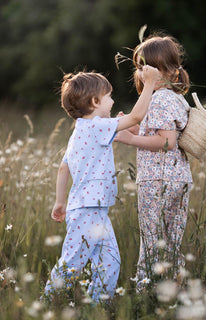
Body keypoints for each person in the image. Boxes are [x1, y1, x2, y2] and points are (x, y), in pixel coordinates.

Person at [43, 65, 160, 303]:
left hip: (93, 210)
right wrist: (149, 84)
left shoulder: (79, 131)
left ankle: (97, 306)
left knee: (109, 261)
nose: (113, 101)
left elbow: (63, 168)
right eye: (109, 97)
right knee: (72, 262)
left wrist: (59, 201)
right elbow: (136, 117)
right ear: (95, 101)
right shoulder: (96, 126)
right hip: (88, 210)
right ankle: (47, 301)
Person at [114, 34, 193, 288]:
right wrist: (137, 130)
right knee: (171, 246)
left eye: (148, 68)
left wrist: (128, 139)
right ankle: (174, 293)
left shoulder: (158, 99)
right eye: (140, 68)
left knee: (150, 244)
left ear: (169, 71)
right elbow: (160, 134)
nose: (143, 74)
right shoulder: (176, 98)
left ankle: (145, 298)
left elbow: (166, 142)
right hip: (178, 178)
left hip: (156, 180)